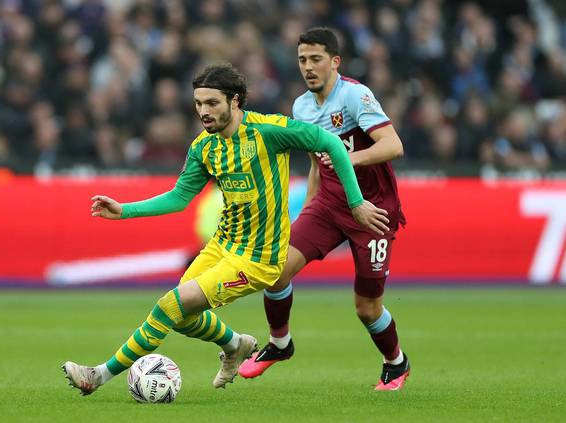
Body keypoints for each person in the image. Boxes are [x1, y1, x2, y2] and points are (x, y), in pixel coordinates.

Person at [62, 63, 390, 395]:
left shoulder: (269, 131)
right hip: (222, 246)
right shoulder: (204, 147)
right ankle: (235, 344)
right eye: (199, 103)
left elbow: (331, 144)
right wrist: (124, 210)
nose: (203, 111)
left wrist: (356, 201)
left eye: (212, 103)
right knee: (182, 316)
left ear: (235, 102)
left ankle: (99, 375)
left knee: (168, 305)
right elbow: (179, 197)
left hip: (259, 258)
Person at [239, 28, 410, 391]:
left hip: (374, 210)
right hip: (330, 205)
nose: (308, 67)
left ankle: (396, 363)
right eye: (302, 60)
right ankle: (280, 344)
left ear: (334, 62)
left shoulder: (355, 96)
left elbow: (393, 145)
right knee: (276, 269)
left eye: (316, 59)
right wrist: (309, 208)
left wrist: (346, 158)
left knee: (366, 307)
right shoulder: (301, 107)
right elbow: (317, 163)